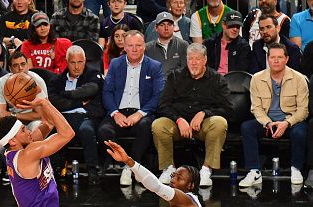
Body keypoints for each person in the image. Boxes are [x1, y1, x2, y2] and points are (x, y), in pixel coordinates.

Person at [152, 43, 232, 187]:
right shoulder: (175, 76)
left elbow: (228, 109)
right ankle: (169, 169)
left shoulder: (217, 79)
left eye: (198, 59)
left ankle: (207, 169)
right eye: (190, 59)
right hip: (179, 126)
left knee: (219, 123)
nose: (194, 63)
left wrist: (204, 113)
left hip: (203, 127)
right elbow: (163, 106)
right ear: (186, 59)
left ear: (205, 60)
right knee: (158, 125)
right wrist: (178, 119)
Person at [239, 42, 309, 188]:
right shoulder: (257, 78)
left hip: (290, 121)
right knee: (247, 127)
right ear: (268, 59)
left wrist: (287, 123)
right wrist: (268, 123)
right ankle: (254, 171)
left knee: (301, 131)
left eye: (280, 57)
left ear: (287, 59)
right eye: (273, 57)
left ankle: (296, 169)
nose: (276, 60)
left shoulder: (299, 79)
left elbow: (303, 110)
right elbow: (256, 108)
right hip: (267, 121)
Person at [100, 30, 165, 186]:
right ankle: (126, 165)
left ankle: (130, 168)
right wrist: (115, 113)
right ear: (125, 47)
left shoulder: (154, 66)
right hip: (119, 112)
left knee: (145, 126)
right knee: (104, 131)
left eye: (138, 45)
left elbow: (158, 96)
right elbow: (107, 92)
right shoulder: (116, 64)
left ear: (144, 47)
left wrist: (140, 114)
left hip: (142, 113)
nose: (134, 49)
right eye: (130, 46)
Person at [49, 45, 104, 184]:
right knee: (51, 130)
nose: (76, 67)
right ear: (67, 62)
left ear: (85, 61)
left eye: (80, 62)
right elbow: (53, 101)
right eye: (73, 62)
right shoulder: (57, 80)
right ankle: (55, 167)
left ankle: (93, 169)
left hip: (87, 116)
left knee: (86, 130)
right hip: (64, 117)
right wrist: (78, 103)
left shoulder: (93, 74)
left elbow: (91, 90)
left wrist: (66, 95)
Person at [204, 10, 251, 75]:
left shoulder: (243, 46)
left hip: (233, 81)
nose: (235, 29)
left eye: (238, 26)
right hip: (212, 80)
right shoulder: (210, 43)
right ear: (223, 25)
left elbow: (241, 72)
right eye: (231, 25)